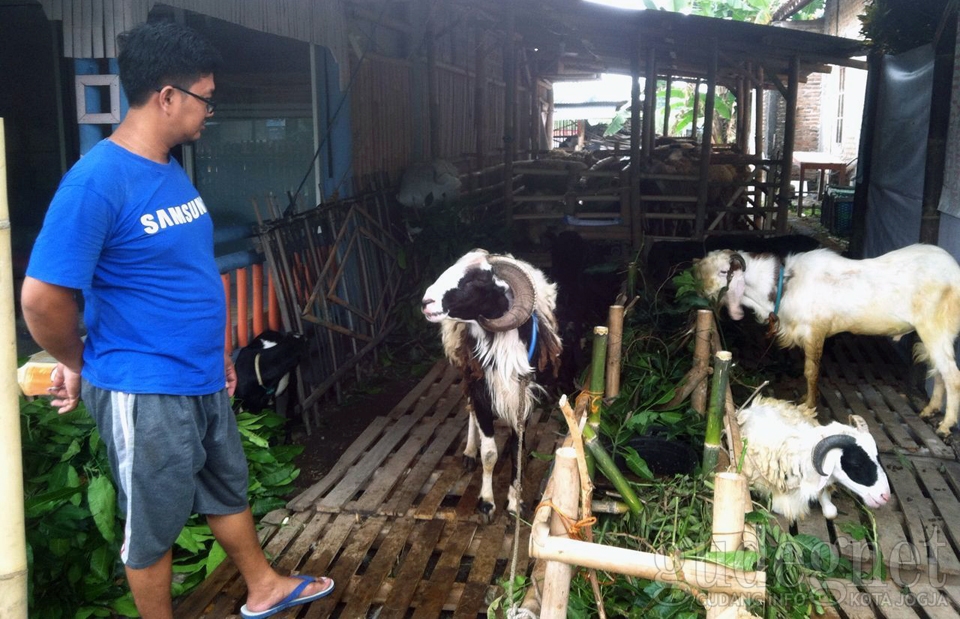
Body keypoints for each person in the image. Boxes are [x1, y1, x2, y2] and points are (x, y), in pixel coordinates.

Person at [20, 21, 333, 619]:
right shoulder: (95, 182)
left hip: (200, 374)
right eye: (205, 97)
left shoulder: (167, 170)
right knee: (153, 522)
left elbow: (181, 276)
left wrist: (217, 354)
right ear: (167, 96)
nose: (210, 110)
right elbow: (41, 299)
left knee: (224, 485)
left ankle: (262, 585)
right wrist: (75, 363)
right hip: (145, 387)